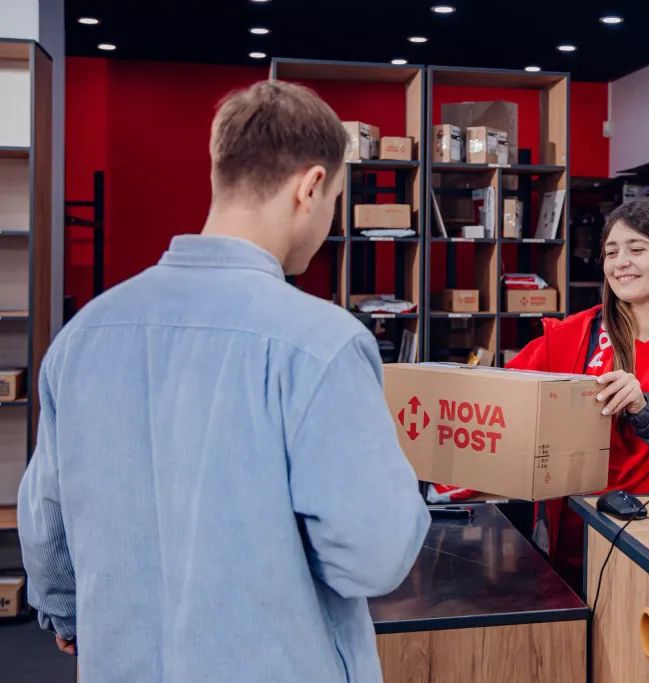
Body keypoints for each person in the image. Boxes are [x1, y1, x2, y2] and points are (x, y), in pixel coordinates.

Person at [17, 81, 429, 683]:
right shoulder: (322, 344)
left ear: (220, 169)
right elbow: (374, 555)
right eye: (336, 198)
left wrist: (69, 615)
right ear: (311, 186)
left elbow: (47, 528)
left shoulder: (83, 336)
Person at [510, 197, 649, 587]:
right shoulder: (571, 336)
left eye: (636, 249)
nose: (620, 262)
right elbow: (500, 403)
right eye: (611, 252)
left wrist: (643, 406)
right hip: (575, 553)